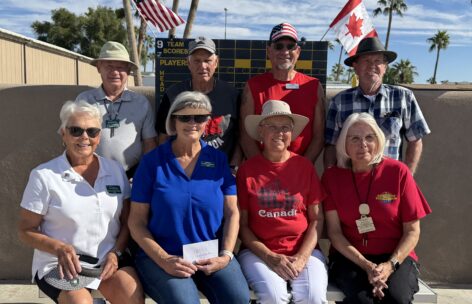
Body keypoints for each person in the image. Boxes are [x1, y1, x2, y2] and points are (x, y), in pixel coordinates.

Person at [128, 91, 250, 304]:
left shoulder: (218, 160)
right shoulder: (152, 163)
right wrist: (164, 259)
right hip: (162, 256)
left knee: (238, 299)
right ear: (173, 121)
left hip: (210, 254)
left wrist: (226, 255)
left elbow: (232, 213)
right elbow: (136, 222)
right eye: (185, 117)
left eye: (200, 117)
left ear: (207, 122)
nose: (192, 123)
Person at [17, 100, 144, 304]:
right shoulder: (44, 175)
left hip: (107, 260)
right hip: (58, 263)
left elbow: (127, 219)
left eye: (92, 131)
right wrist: (59, 248)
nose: (85, 137)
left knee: (131, 295)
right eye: (76, 130)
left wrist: (117, 252)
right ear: (63, 133)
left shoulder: (115, 170)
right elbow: (26, 229)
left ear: (99, 136)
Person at [322, 112, 432, 304]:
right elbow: (334, 233)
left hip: (396, 257)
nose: (362, 144)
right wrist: (366, 265)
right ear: (343, 144)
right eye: (354, 138)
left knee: (396, 298)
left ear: (379, 141)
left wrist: (389, 265)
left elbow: (413, 231)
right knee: (362, 300)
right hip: (350, 257)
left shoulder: (398, 172)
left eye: (369, 137)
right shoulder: (332, 178)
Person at [237, 100, 328, 303]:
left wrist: (303, 257)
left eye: (285, 127)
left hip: (304, 250)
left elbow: (316, 220)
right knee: (273, 296)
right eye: (272, 127)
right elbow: (242, 225)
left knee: (312, 296)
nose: (279, 132)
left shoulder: (304, 167)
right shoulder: (247, 170)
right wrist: (270, 256)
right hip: (259, 252)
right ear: (261, 132)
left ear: (291, 134)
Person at [324, 37, 431, 175]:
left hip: (390, 179)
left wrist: (406, 177)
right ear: (355, 67)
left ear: (385, 67)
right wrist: (332, 180)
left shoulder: (404, 97)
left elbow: (415, 140)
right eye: (366, 61)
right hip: (351, 180)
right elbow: (331, 146)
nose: (372, 66)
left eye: (377, 61)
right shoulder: (339, 101)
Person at [240, 23, 325, 163]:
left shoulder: (314, 86)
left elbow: (318, 136)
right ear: (269, 51)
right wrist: (262, 168)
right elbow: (245, 135)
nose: (285, 51)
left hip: (301, 170)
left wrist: (301, 169)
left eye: (290, 46)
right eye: (279, 46)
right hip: (262, 171)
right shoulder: (253, 86)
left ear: (297, 51)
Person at [76, 41, 157, 178]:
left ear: (128, 71)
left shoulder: (141, 103)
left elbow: (150, 143)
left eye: (120, 67)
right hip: (91, 175)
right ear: (99, 68)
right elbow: (72, 140)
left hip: (131, 175)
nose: (115, 72)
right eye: (109, 66)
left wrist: (145, 176)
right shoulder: (84, 101)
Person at [156, 36, 241, 167]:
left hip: (221, 171)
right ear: (188, 63)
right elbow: (163, 136)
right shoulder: (173, 94)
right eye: (197, 61)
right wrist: (170, 167)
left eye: (207, 60)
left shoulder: (232, 95)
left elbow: (240, 137)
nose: (202, 66)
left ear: (216, 62)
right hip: (181, 167)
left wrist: (233, 169)